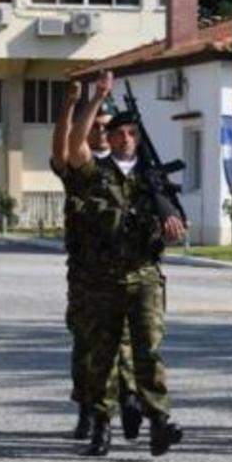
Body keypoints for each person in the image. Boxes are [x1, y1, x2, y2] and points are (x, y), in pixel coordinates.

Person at [66, 71, 186, 457]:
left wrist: (172, 227)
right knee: (102, 354)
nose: (126, 139)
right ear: (110, 137)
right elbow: (73, 147)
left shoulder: (153, 179)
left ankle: (159, 422)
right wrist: (96, 100)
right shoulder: (94, 175)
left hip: (145, 275)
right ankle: (101, 424)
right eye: (119, 134)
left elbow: (175, 223)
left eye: (132, 134)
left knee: (149, 351)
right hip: (103, 279)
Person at [51, 82, 140, 442]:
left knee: (127, 340)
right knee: (87, 342)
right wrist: (73, 104)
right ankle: (88, 407)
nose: (103, 132)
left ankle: (126, 400)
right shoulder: (82, 168)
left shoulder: (132, 168)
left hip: (126, 268)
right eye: (97, 127)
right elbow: (61, 151)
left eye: (109, 127)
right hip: (87, 272)